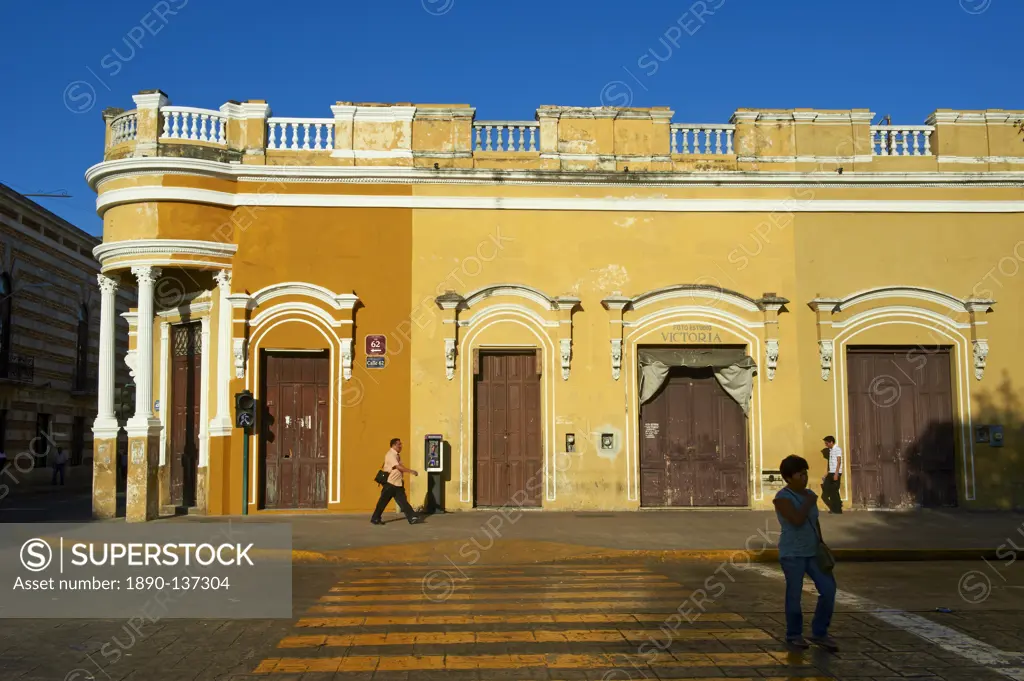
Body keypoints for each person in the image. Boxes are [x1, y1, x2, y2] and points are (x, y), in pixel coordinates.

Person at [773, 454, 838, 652]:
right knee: (794, 594)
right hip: (792, 553)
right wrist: (809, 501)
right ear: (789, 477)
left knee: (829, 589)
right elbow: (796, 519)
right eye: (800, 475)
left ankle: (819, 632)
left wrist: (821, 542)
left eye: (805, 473)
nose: (805, 478)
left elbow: (814, 521)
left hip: (813, 552)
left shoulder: (808, 494)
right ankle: (794, 634)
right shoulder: (782, 498)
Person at [370, 438, 423, 525]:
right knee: (382, 502)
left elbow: (399, 467)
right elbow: (398, 467)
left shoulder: (397, 455)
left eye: (400, 444)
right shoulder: (391, 455)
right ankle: (375, 518)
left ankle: (412, 517)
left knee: (403, 502)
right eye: (399, 444)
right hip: (390, 483)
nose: (400, 446)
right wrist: (411, 471)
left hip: (397, 483)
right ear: (393, 445)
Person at [821, 435, 843, 514]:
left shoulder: (837, 449)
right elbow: (830, 466)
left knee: (834, 491)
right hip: (830, 473)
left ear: (831, 442)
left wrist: (836, 474)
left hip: (836, 473)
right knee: (826, 492)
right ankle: (835, 507)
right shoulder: (831, 451)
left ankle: (837, 509)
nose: (826, 445)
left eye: (827, 443)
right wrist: (826, 475)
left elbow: (839, 461)